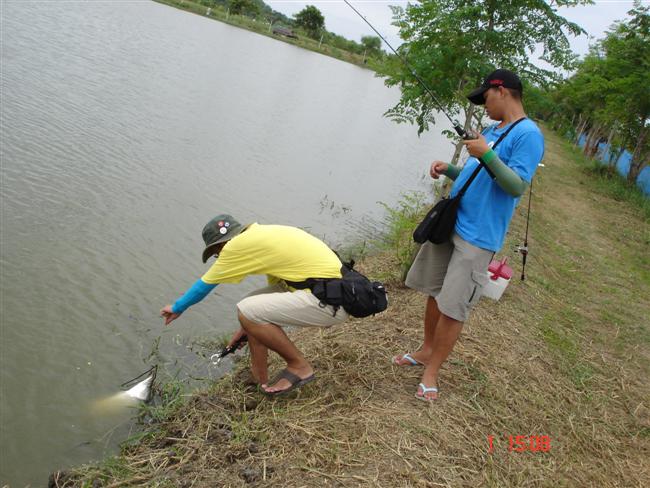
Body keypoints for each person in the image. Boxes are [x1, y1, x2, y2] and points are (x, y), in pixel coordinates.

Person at [393, 69, 545, 401]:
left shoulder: (528, 135)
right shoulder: (494, 129)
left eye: (485, 98)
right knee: (435, 292)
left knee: (454, 306)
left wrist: (486, 153)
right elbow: (481, 173)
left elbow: (516, 184)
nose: (483, 106)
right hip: (453, 222)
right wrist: (450, 169)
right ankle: (424, 350)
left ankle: (431, 372)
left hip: (479, 235)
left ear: (501, 91)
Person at [160, 214, 349, 396]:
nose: (220, 256)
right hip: (335, 293)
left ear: (223, 243)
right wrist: (248, 326)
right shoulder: (261, 236)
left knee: (247, 310)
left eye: (217, 253)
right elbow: (275, 293)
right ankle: (258, 380)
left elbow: (204, 285)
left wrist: (177, 308)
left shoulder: (235, 246)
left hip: (332, 301)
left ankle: (299, 367)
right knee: (250, 311)